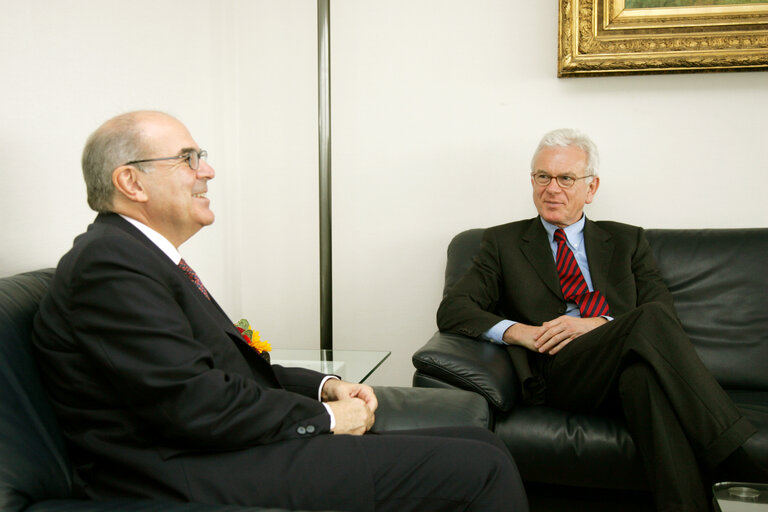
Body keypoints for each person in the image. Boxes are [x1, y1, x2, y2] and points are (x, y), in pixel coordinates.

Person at [33, 111, 528, 512]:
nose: (207, 171)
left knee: (483, 442)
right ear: (131, 182)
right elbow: (194, 404)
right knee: (481, 469)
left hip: (224, 450)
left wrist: (323, 385)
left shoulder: (139, 257)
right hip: (183, 473)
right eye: (188, 159)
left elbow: (229, 367)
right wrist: (329, 417)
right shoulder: (108, 265)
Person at [437, 128, 767, 512]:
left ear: (591, 189)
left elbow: (662, 312)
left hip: (626, 361)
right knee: (646, 323)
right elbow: (454, 309)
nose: (552, 188)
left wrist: (598, 323)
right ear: (532, 182)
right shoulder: (501, 243)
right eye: (542, 176)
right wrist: (519, 333)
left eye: (565, 178)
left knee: (643, 378)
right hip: (560, 367)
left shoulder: (627, 241)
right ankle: (737, 455)